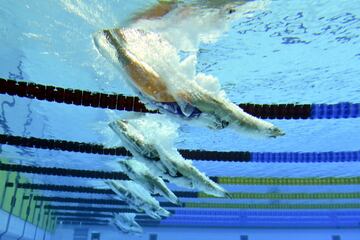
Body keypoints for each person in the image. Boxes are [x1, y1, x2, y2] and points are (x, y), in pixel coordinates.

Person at [94, 0, 284, 138]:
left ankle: (117, 44)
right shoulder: (185, 100)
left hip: (182, 105)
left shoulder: (170, 98)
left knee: (145, 80)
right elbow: (235, 118)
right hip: (183, 103)